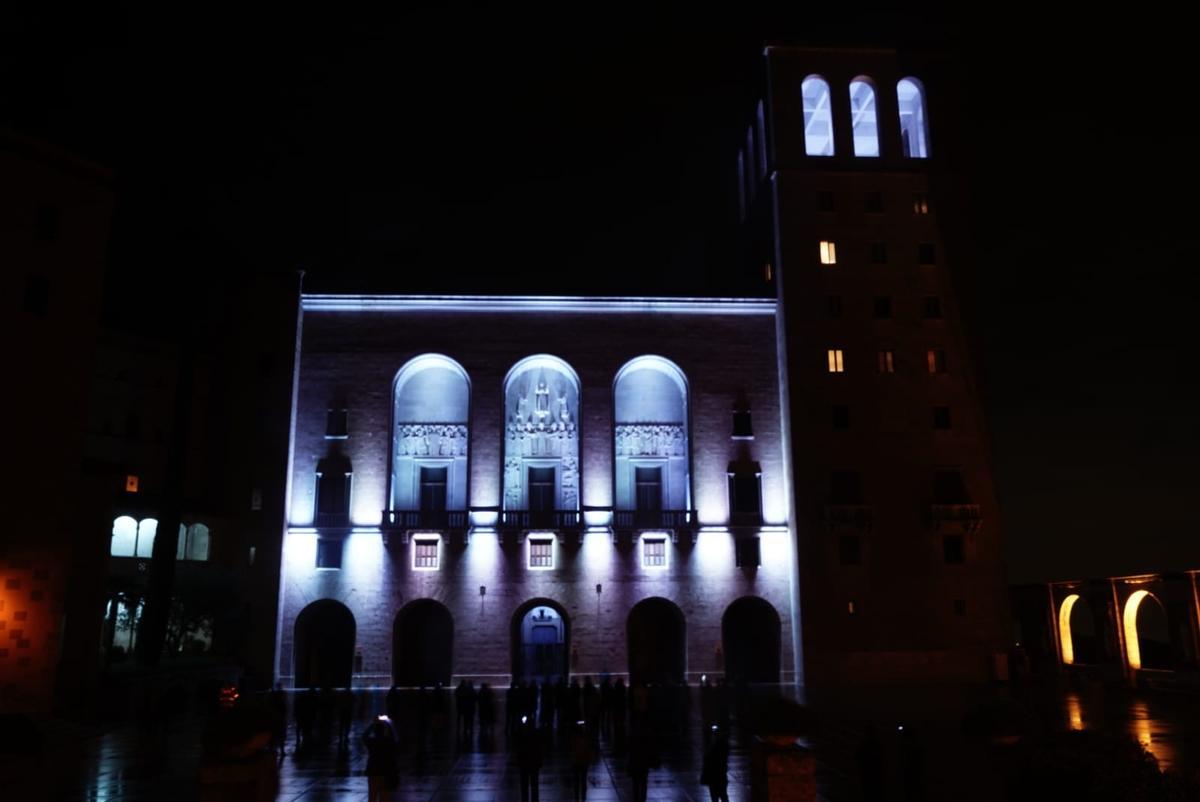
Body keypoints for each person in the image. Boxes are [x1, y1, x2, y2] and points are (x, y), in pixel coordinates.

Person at [362, 715, 399, 802]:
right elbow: (395, 738)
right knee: (384, 796)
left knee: (372, 796)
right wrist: (389, 724)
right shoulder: (388, 741)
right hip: (385, 772)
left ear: (375, 731)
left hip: (373, 771)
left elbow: (364, 736)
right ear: (383, 731)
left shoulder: (372, 742)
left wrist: (372, 724)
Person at [515, 715, 543, 802]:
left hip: (524, 763)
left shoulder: (522, 734)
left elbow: (519, 748)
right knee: (534, 786)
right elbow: (540, 749)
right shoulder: (537, 734)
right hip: (534, 763)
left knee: (524, 787)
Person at [701, 725, 730, 802]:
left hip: (715, 775)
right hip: (718, 774)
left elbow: (708, 758)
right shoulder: (721, 744)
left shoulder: (717, 745)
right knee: (722, 795)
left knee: (717, 795)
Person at [568, 720, 592, 801]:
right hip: (583, 762)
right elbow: (588, 750)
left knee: (577, 781)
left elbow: (571, 750)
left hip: (576, 762)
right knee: (583, 780)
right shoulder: (585, 739)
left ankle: (577, 797)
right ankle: (583, 796)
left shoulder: (573, 739)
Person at [268, 682, 288, 758]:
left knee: (274, 734)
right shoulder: (281, 695)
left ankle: (273, 749)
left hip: (275, 717)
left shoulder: (273, 695)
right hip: (279, 718)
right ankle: (280, 750)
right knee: (280, 734)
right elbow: (284, 706)